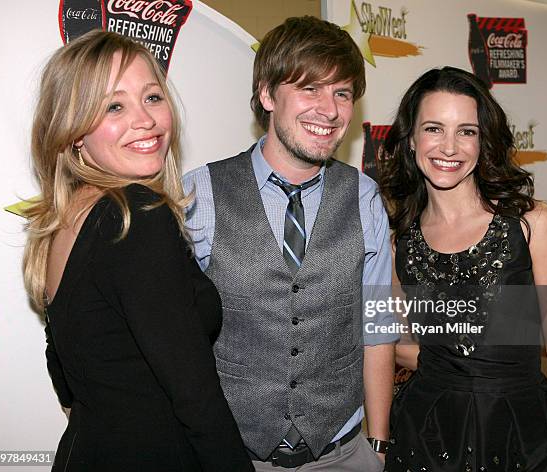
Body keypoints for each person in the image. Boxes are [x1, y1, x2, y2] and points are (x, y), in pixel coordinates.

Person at [22, 30, 254, 472]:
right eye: (114, 105)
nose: (145, 120)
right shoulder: (135, 216)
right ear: (73, 133)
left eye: (151, 97)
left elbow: (67, 376)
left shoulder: (65, 221)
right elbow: (195, 395)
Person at [182, 16, 396, 472]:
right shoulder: (199, 194)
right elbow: (175, 339)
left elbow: (377, 330)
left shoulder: (365, 198)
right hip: (231, 455)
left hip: (343, 454)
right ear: (266, 94)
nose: (330, 109)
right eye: (310, 89)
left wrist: (377, 446)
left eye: (342, 93)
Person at [378, 66, 547, 472]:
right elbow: (396, 345)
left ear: (484, 140)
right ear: (410, 140)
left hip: (520, 434)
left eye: (467, 131)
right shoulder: (395, 241)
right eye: (434, 129)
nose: (450, 147)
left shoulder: (534, 224)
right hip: (427, 434)